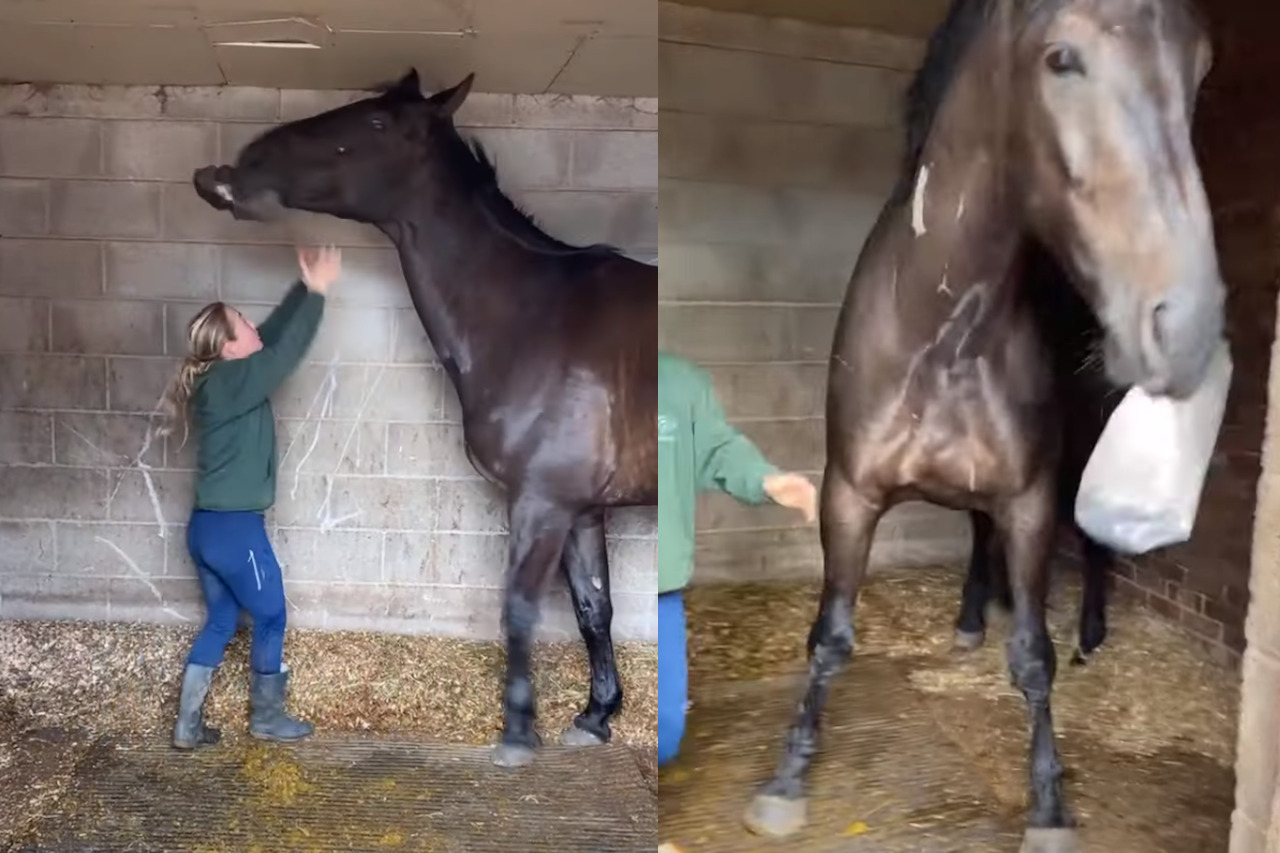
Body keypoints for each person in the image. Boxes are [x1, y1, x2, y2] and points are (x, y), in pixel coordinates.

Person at [160, 245, 341, 750]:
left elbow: (275, 339)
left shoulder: (226, 378)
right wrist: (320, 295)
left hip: (207, 529)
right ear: (230, 347)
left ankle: (188, 727)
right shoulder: (235, 380)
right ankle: (267, 718)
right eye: (243, 322)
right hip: (236, 529)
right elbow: (284, 353)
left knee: (221, 619)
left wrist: (304, 287)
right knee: (271, 615)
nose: (253, 325)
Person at [657, 350, 819, 768]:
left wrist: (765, 479)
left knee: (666, 732)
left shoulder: (680, 381)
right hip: (598, 574)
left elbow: (715, 449)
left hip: (662, 582)